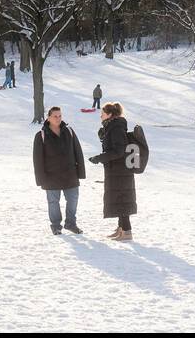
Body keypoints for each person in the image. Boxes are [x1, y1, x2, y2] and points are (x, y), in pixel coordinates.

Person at [33, 105, 86, 234]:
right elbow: (37, 160)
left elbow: (78, 152)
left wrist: (81, 172)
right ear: (48, 118)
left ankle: (70, 223)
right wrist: (41, 179)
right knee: (53, 202)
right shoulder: (41, 135)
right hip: (51, 176)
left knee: (73, 199)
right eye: (55, 116)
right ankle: (56, 226)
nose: (58, 118)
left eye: (60, 116)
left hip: (70, 174)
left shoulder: (69, 131)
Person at [90, 102, 137, 241]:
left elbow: (118, 151)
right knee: (118, 199)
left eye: (102, 113)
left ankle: (127, 231)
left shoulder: (116, 128)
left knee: (121, 199)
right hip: (116, 170)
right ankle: (121, 228)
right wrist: (103, 138)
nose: (100, 116)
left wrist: (100, 158)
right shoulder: (113, 127)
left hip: (120, 171)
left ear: (109, 114)